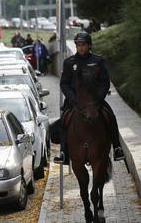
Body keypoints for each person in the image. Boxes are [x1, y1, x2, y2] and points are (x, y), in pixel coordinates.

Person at [53, 32, 125, 165]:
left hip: (95, 101)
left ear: (89, 45)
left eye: (83, 45)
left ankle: (117, 148)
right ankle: (63, 153)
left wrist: (98, 98)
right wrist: (73, 98)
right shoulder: (69, 62)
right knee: (63, 122)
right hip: (74, 101)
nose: (80, 48)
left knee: (110, 117)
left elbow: (105, 82)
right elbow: (64, 83)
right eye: (78, 45)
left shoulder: (98, 61)